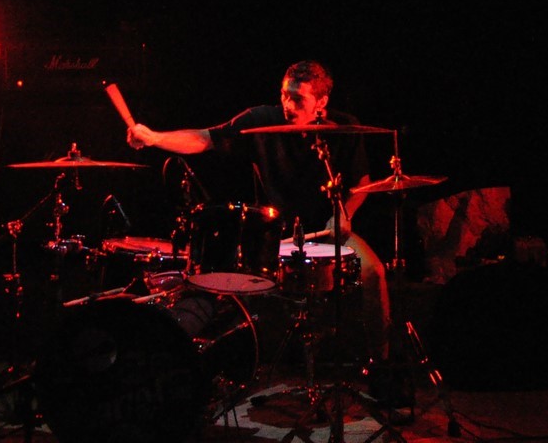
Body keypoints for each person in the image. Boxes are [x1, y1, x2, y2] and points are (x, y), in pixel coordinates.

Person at [127, 59, 392, 364]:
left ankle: (381, 363)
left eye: (298, 99)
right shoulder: (261, 120)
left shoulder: (345, 128)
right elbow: (206, 138)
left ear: (321, 103)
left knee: (374, 272)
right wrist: (154, 138)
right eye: (284, 95)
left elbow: (362, 183)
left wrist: (344, 214)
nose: (288, 105)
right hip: (274, 235)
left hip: (328, 230)